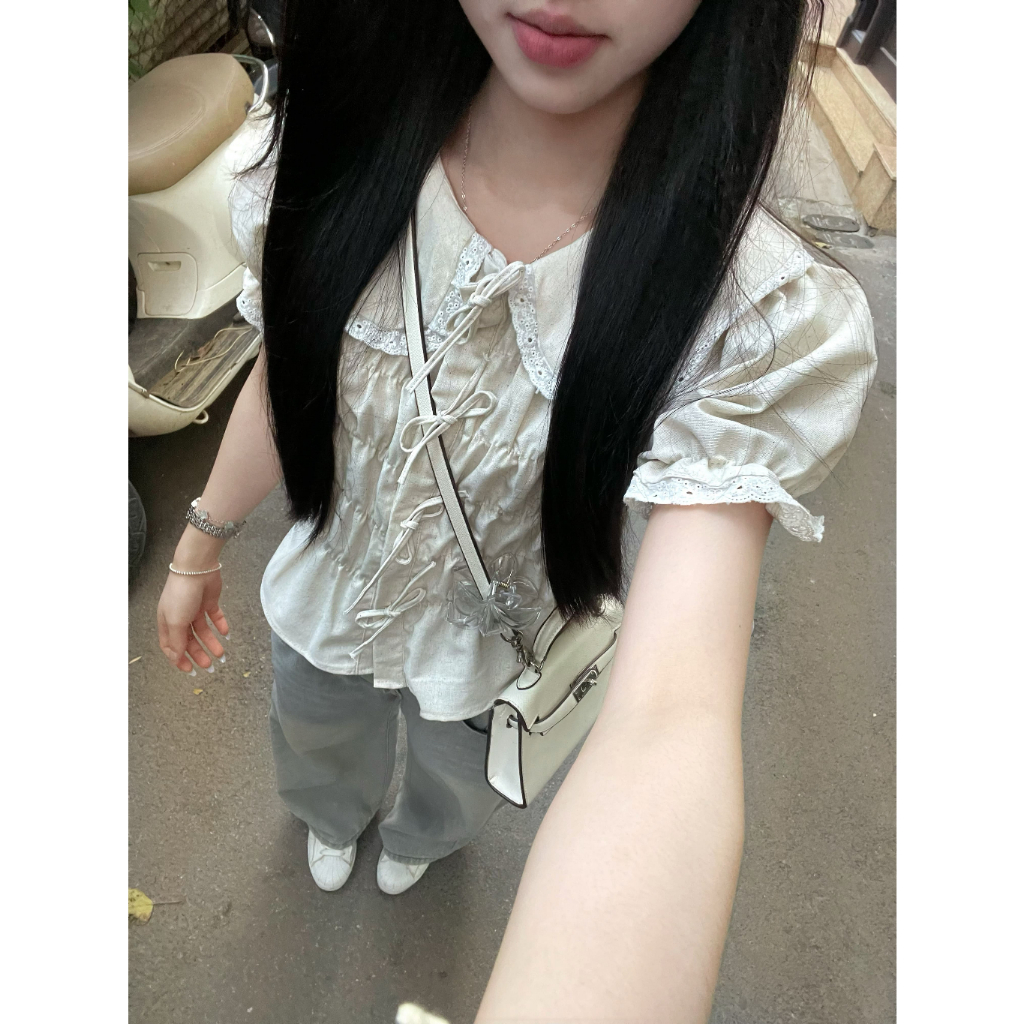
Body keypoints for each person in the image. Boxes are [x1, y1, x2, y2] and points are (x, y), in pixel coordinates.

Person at [156, 1, 876, 1019]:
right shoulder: (334, 154)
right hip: (329, 590)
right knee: (314, 733)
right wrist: (201, 541)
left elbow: (672, 717)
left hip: (501, 648)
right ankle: (334, 815)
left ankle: (420, 837)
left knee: (451, 780)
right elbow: (290, 374)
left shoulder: (744, 312)